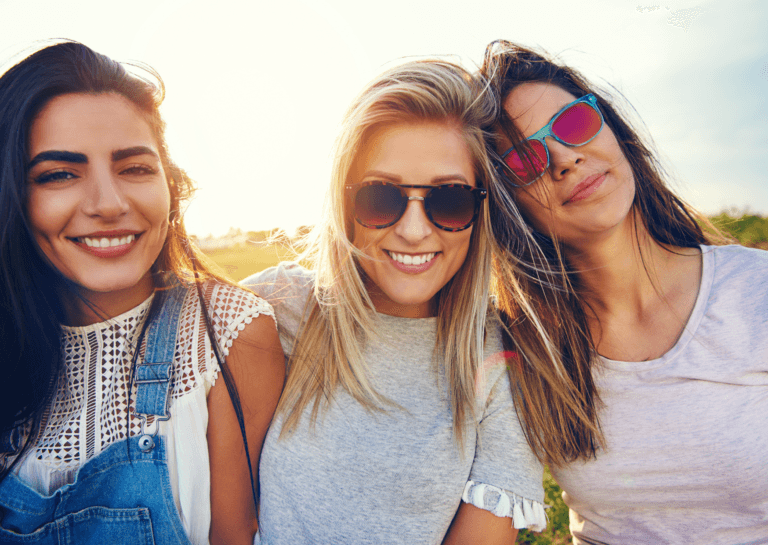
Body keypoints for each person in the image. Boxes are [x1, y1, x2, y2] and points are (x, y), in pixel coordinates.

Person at [243, 59, 548, 544]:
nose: (412, 230)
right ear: (344, 204)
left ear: (479, 209)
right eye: (380, 196)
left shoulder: (501, 356)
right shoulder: (281, 304)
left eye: (449, 199)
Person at [480, 39, 768, 544]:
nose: (565, 158)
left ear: (613, 128)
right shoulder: (524, 345)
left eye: (573, 123)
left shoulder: (755, 291)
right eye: (525, 160)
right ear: (508, 203)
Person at [0, 41, 284, 545]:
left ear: (170, 183)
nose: (108, 204)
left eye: (134, 168)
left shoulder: (228, 333)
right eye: (60, 174)